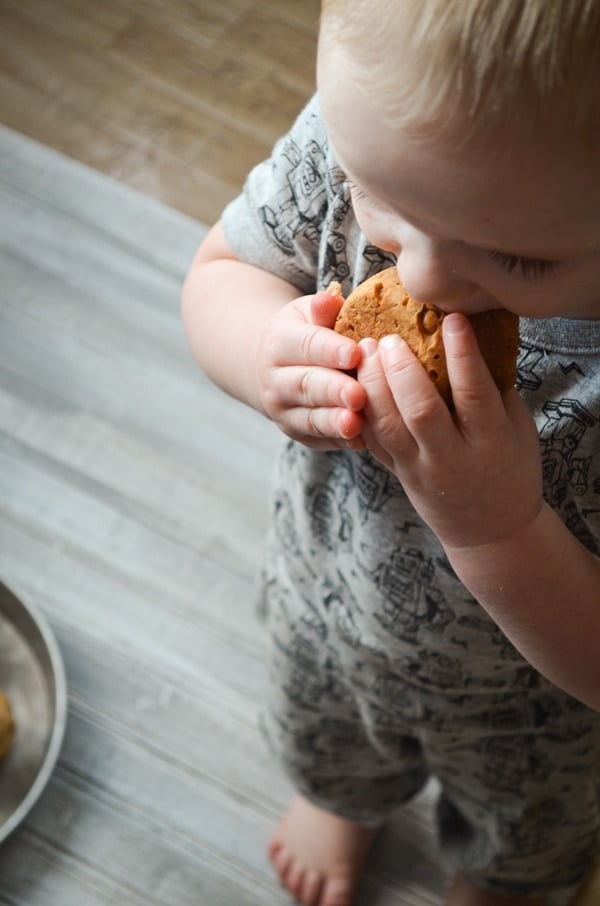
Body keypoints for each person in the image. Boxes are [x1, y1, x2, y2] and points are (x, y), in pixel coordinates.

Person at [181, 1, 600, 903]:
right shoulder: (368, 142)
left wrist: (501, 530)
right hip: (334, 595)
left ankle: (501, 880)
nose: (420, 278)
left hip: (535, 714)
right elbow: (222, 272)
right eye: (384, 206)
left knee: (524, 835)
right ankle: (346, 798)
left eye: (516, 259)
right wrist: (263, 354)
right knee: (329, 736)